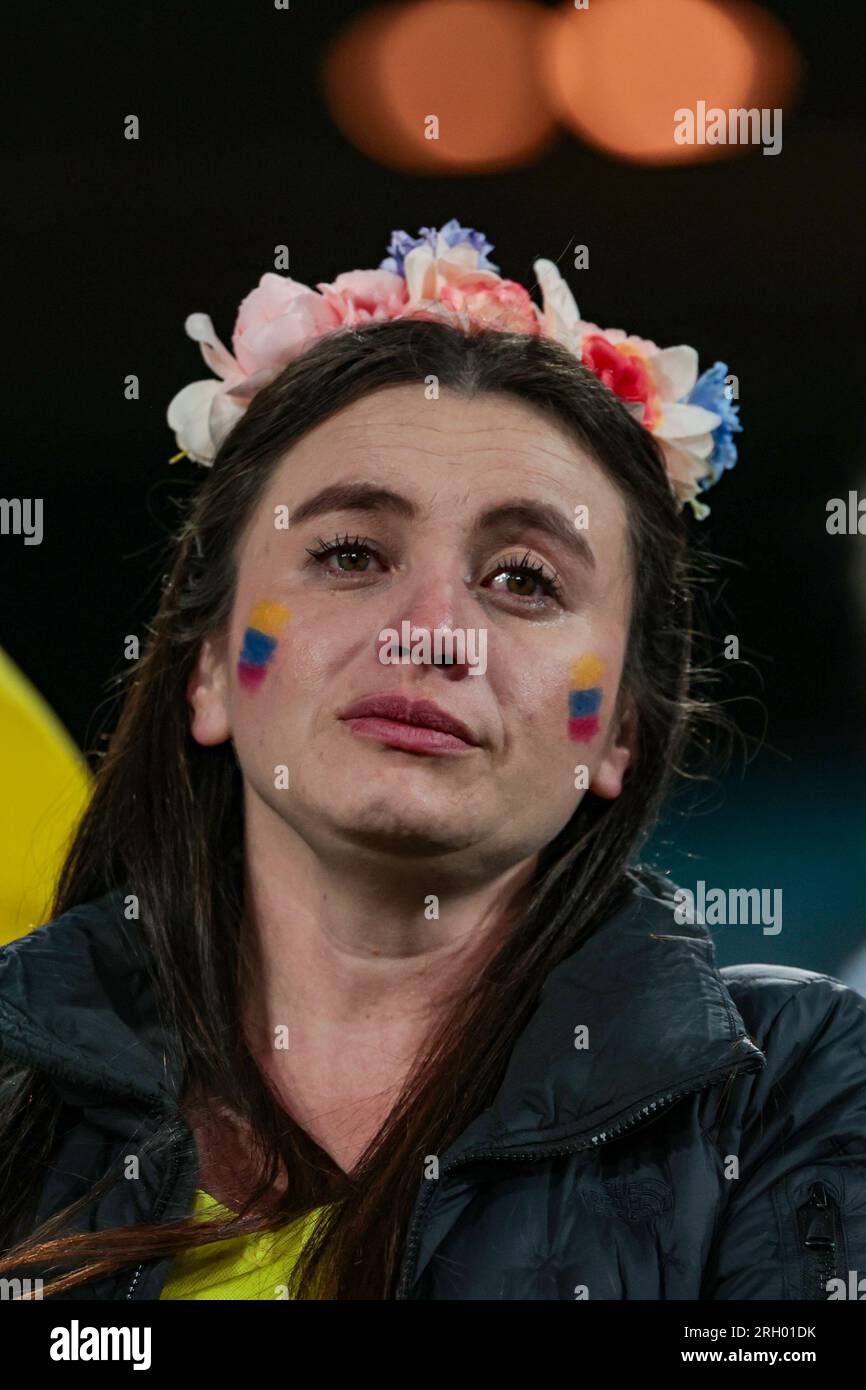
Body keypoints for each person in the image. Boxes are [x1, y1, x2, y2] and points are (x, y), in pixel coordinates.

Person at [1, 221, 864, 1301]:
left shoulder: (796, 1087)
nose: (430, 635)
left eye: (523, 579)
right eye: (349, 554)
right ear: (209, 666)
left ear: (618, 733)